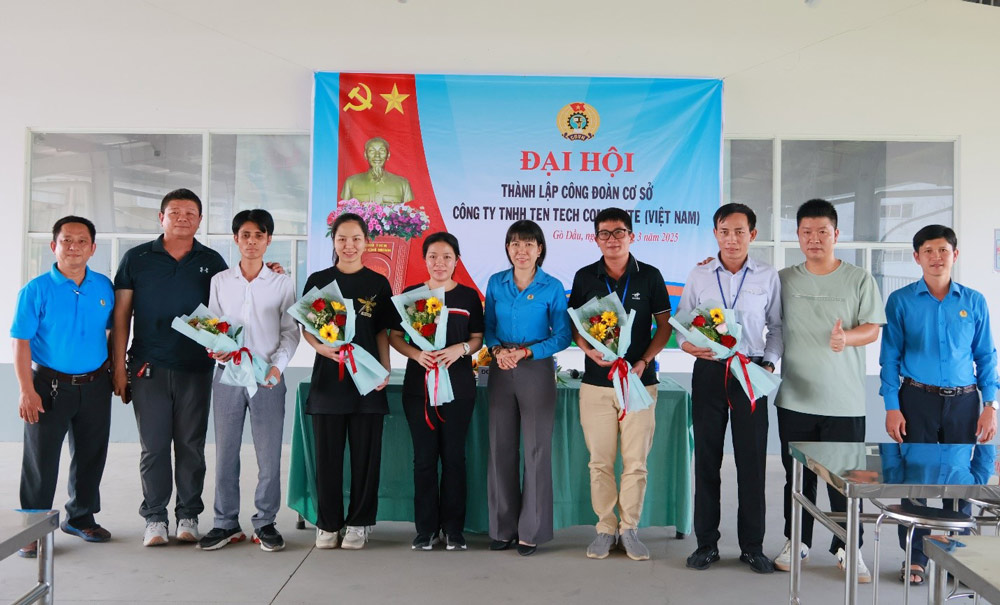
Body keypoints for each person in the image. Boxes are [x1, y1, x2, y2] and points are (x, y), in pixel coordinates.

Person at [773, 198, 885, 582]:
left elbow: (873, 327)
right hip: (795, 398)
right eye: (807, 232)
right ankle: (797, 542)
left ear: (837, 234)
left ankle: (848, 548)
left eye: (823, 231)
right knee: (797, 477)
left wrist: (846, 338)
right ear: (798, 236)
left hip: (845, 401)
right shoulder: (784, 279)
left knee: (847, 479)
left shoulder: (858, 279)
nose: (815, 239)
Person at [879, 224, 998, 585]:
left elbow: (986, 356)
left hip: (964, 403)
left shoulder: (974, 301)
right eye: (928, 251)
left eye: (943, 250)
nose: (936, 257)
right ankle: (915, 558)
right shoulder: (900, 301)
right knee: (913, 482)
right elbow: (890, 357)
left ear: (954, 255)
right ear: (917, 257)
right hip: (916, 400)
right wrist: (891, 405)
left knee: (960, 482)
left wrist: (990, 404)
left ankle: (957, 558)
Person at [112, 188, 229, 546]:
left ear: (200, 220)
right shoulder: (137, 258)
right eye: (174, 212)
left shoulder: (213, 260)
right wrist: (118, 367)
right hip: (149, 367)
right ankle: (155, 518)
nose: (182, 218)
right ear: (160, 217)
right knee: (155, 446)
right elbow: (121, 316)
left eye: (190, 213)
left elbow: (230, 306)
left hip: (196, 367)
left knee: (192, 445)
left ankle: (188, 515)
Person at [677, 203, 782, 574]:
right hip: (708, 372)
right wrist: (690, 346)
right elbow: (682, 327)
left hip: (750, 373)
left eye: (740, 231)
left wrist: (768, 363)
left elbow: (777, 327)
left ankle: (752, 546)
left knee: (752, 463)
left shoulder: (767, 276)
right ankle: (706, 544)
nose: (732, 238)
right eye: (724, 230)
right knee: (706, 458)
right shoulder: (700, 274)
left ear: (752, 234)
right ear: (715, 234)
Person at [567, 207, 672, 561]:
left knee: (635, 462)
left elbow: (665, 327)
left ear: (632, 236)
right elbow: (576, 328)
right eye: (604, 234)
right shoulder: (584, 277)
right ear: (595, 239)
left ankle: (630, 528)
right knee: (599, 461)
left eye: (618, 232)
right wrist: (588, 351)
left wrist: (644, 362)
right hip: (596, 383)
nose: (612, 239)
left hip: (640, 382)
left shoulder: (651, 277)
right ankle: (604, 527)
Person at [197, 209, 300, 552]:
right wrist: (216, 351)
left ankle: (265, 522)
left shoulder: (283, 283)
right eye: (245, 235)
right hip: (228, 376)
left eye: (259, 235)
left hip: (267, 376)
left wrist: (277, 367)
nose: (252, 241)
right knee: (226, 452)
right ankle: (225, 522)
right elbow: (212, 326)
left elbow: (290, 333)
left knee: (269, 455)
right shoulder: (221, 281)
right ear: (236, 239)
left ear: (269, 240)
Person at [12, 216, 115, 557]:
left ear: (93, 248)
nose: (74, 247)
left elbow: (113, 331)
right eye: (66, 240)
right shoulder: (36, 290)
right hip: (48, 385)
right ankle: (33, 528)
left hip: (95, 385)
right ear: (53, 245)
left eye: (81, 241)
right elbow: (21, 343)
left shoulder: (103, 287)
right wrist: (27, 389)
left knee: (90, 455)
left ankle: (81, 517)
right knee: (41, 460)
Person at [388, 232, 484, 551]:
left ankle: (454, 529)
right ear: (424, 259)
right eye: (433, 256)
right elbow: (395, 337)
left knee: (455, 457)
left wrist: (461, 349)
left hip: (458, 386)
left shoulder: (469, 297)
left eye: (446, 257)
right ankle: (426, 529)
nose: (439, 262)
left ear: (456, 260)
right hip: (419, 387)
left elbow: (477, 339)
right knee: (424, 460)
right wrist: (416, 355)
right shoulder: (411, 295)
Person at [303, 212, 393, 551]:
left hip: (367, 380)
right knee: (328, 457)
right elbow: (306, 329)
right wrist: (322, 350)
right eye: (342, 239)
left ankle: (359, 523)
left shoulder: (378, 283)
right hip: (329, 380)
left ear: (366, 242)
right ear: (334, 242)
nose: (349, 245)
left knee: (365, 457)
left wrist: (384, 367)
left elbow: (383, 331)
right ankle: (328, 524)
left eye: (356, 238)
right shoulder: (318, 280)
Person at [484, 220, 572, 556]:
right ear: (507, 248)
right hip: (500, 366)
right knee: (500, 447)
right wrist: (497, 351)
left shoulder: (551, 286)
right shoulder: (496, 283)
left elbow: (562, 335)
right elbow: (488, 325)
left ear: (540, 249)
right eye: (515, 244)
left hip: (535, 366)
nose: (521, 251)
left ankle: (530, 532)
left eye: (529, 244)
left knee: (535, 450)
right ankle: (502, 528)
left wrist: (525, 352)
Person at [340, 137, 414, 205]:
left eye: (382, 151)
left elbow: (408, 213)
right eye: (372, 151)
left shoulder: (403, 184)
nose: (377, 155)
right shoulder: (351, 183)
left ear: (388, 155)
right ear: (365, 155)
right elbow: (345, 214)